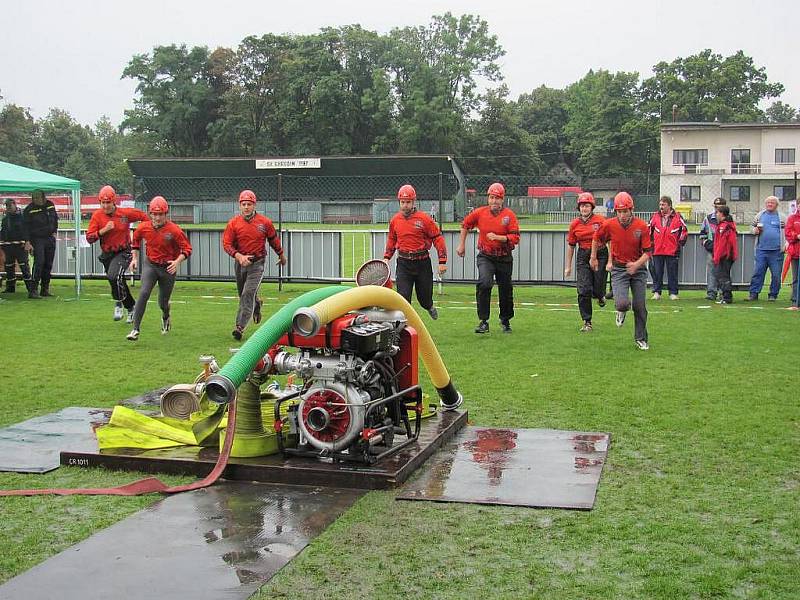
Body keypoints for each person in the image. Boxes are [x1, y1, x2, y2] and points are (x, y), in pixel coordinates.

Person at [591, 191, 652, 351]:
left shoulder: (641, 226)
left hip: (638, 270)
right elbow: (596, 238)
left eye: (625, 211)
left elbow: (648, 252)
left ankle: (641, 338)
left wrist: (636, 264)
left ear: (632, 210)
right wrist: (593, 258)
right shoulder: (609, 224)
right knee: (622, 303)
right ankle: (621, 310)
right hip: (618, 269)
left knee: (639, 306)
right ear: (615, 211)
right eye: (619, 211)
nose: (623, 215)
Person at [223, 189, 286, 340]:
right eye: (243, 204)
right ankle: (257, 304)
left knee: (247, 293)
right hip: (240, 263)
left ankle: (240, 327)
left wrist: (281, 255)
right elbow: (226, 244)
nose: (246, 207)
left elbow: (273, 239)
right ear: (239, 206)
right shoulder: (233, 223)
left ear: (254, 205)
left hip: (257, 264)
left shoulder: (265, 222)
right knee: (243, 295)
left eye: (249, 204)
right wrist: (238, 256)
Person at [456, 182, 520, 334]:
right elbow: (465, 225)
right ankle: (483, 321)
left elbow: (515, 237)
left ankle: (505, 320)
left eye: (497, 198)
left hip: (504, 257)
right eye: (491, 198)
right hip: (486, 256)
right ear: (488, 198)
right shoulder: (480, 213)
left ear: (502, 199)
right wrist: (461, 245)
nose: (494, 201)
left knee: (505, 289)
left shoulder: (509, 215)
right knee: (485, 283)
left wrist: (499, 237)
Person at [126, 197, 192, 341]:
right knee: (143, 293)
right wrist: (135, 258)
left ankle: (166, 316)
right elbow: (135, 240)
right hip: (151, 264)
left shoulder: (174, 230)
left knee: (163, 302)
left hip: (168, 267)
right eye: (154, 214)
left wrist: (177, 261)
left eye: (160, 214)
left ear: (165, 214)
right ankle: (135, 329)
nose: (157, 217)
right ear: (150, 214)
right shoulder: (144, 227)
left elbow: (187, 248)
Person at [383, 184, 447, 319]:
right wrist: (386, 257)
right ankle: (405, 327)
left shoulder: (424, 219)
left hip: (422, 263)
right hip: (404, 263)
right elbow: (391, 239)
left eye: (408, 202)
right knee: (403, 298)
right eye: (402, 202)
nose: (405, 205)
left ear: (414, 202)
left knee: (424, 298)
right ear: (399, 202)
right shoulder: (395, 220)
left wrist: (442, 261)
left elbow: (437, 237)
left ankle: (429, 306)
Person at [85, 185, 149, 321]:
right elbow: (89, 238)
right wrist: (103, 231)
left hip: (123, 251)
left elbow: (144, 217)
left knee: (114, 277)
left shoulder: (124, 214)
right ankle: (131, 307)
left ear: (114, 201)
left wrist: (142, 233)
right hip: (107, 254)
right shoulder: (97, 216)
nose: (106, 206)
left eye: (108, 202)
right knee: (118, 281)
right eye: (103, 202)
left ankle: (118, 304)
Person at [564, 192, 607, 332]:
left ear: (592, 207)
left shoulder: (601, 221)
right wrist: (568, 266)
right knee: (583, 289)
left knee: (598, 286)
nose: (584, 209)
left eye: (587, 206)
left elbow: (610, 241)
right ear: (578, 208)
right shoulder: (574, 224)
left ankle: (600, 295)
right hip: (583, 255)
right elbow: (571, 246)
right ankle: (587, 321)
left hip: (600, 254)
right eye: (582, 206)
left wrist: (611, 260)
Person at [648, 195, 687, 300]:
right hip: (657, 249)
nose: (661, 207)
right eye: (660, 204)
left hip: (672, 249)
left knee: (672, 272)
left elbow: (684, 230)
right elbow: (648, 230)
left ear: (669, 205)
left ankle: (673, 293)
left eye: (663, 205)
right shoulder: (654, 216)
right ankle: (657, 292)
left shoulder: (678, 217)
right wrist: (649, 244)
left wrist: (679, 243)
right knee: (657, 272)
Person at [746, 196, 785, 301]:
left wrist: (785, 244)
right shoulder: (760, 215)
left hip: (777, 251)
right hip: (761, 250)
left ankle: (773, 294)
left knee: (776, 274)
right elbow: (751, 228)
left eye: (772, 203)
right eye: (768, 203)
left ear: (777, 205)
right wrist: (755, 231)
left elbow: (787, 231)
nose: (769, 204)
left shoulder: (782, 217)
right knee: (758, 272)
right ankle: (754, 293)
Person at [21, 189, 58, 299]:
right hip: (37, 239)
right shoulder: (29, 210)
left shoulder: (50, 205)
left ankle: (45, 289)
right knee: (39, 263)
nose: (35, 199)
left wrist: (55, 231)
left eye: (38, 197)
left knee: (48, 264)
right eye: (34, 197)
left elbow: (55, 219)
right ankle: (33, 290)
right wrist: (27, 241)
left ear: (43, 197)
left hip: (50, 238)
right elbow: (25, 227)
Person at [1, 198, 33, 296]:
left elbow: (27, 230)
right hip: (8, 246)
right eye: (6, 206)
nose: (8, 208)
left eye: (9, 206)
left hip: (21, 246)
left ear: (15, 205)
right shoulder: (5, 218)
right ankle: (10, 287)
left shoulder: (23, 217)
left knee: (24, 267)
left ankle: (31, 289)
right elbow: (3, 231)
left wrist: (27, 242)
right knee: (9, 267)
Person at [699, 197, 727, 301]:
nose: (717, 208)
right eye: (716, 206)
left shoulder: (729, 219)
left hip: (724, 250)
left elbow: (733, 234)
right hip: (712, 250)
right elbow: (702, 233)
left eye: (720, 206)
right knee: (711, 271)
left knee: (724, 272)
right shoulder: (708, 218)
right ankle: (711, 292)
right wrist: (707, 243)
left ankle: (723, 292)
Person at [712, 205, 738, 305]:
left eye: (717, 212)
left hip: (725, 255)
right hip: (728, 255)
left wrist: (717, 256)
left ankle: (727, 297)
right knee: (723, 275)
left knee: (723, 276)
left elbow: (722, 244)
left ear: (722, 214)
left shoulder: (724, 226)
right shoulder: (728, 225)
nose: (716, 214)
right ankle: (726, 296)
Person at [786, 203, 800, 310]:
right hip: (795, 252)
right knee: (796, 277)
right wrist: (797, 236)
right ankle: (795, 300)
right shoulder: (792, 218)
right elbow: (788, 233)